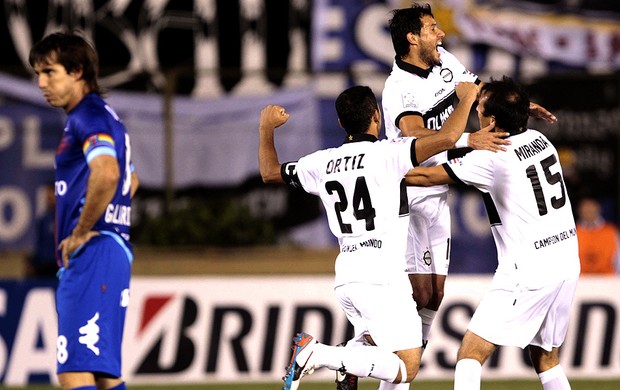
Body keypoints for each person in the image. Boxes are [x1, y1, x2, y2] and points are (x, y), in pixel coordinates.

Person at [258, 83, 506, 390]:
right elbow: (447, 138)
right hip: (381, 277)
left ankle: (349, 358)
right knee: (407, 367)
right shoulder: (389, 155)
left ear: (340, 123)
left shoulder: (320, 162)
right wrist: (467, 99)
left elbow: (269, 172)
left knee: (374, 348)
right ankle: (319, 354)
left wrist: (266, 128)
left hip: (346, 276)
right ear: (377, 116)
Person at [380, 2, 557, 365]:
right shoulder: (398, 87)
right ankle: (360, 355)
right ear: (412, 38)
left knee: (435, 295)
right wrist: (466, 140)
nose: (440, 33)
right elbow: (414, 134)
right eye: (431, 28)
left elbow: (478, 89)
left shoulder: (443, 59)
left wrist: (522, 106)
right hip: (406, 190)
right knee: (416, 293)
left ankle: (402, 370)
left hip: (436, 192)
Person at [405, 76, 580, 390]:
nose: (476, 110)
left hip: (528, 270)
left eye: (479, 106)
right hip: (566, 262)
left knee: (470, 354)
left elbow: (423, 177)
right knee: (546, 358)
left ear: (492, 119)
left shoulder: (492, 156)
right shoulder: (541, 140)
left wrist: (381, 169)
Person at [29, 31, 139, 390]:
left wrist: (81, 230)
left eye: (49, 72)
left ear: (76, 71)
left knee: (73, 370)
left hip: (94, 251)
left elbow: (108, 173)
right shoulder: (106, 116)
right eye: (37, 74)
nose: (41, 83)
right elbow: (130, 181)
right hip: (111, 250)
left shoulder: (86, 115)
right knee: (105, 374)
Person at [575, 196, 620, 274]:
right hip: (580, 281)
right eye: (585, 207)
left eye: (591, 206)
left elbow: (618, 259)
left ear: (598, 208)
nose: (589, 210)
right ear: (579, 210)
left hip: (608, 281)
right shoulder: (573, 232)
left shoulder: (611, 231)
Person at [25, 182, 58, 279]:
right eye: (47, 195)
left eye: (51, 194)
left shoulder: (64, 219)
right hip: (44, 265)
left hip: (58, 264)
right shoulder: (44, 219)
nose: (48, 198)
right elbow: (40, 243)